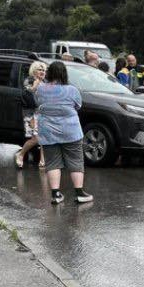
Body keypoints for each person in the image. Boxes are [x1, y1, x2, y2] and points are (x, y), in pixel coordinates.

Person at [34, 61, 93, 205]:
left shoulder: (41, 89)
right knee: (75, 161)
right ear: (64, 73)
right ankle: (79, 193)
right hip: (70, 131)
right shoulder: (72, 90)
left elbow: (38, 104)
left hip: (48, 131)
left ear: (49, 73)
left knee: (52, 163)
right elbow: (78, 105)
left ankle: (55, 195)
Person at [15, 61, 47, 169]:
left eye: (44, 70)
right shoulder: (29, 81)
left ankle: (42, 160)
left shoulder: (45, 82)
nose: (42, 72)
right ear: (34, 71)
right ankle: (20, 154)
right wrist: (35, 86)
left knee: (43, 137)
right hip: (31, 114)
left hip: (42, 113)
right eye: (40, 69)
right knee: (36, 138)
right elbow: (27, 95)